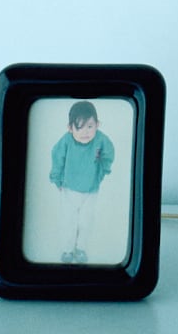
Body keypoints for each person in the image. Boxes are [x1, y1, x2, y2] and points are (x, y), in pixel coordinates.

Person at [48, 101, 115, 264]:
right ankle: (67, 249)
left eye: (90, 126)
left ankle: (80, 248)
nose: (85, 132)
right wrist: (57, 179)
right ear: (70, 128)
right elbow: (57, 159)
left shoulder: (101, 140)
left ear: (97, 124)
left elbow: (108, 155)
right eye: (79, 127)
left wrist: (102, 171)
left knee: (86, 221)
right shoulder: (66, 141)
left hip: (91, 190)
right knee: (68, 221)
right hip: (69, 188)